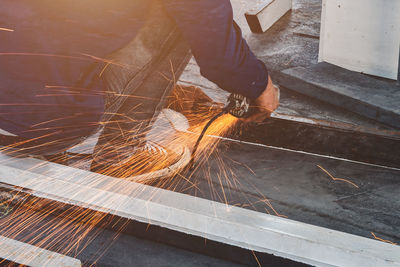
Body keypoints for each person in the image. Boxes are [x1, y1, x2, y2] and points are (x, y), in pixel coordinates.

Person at [0, 0, 279, 173]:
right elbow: (212, 36)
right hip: (43, 124)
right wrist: (257, 84)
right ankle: (121, 155)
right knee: (182, 12)